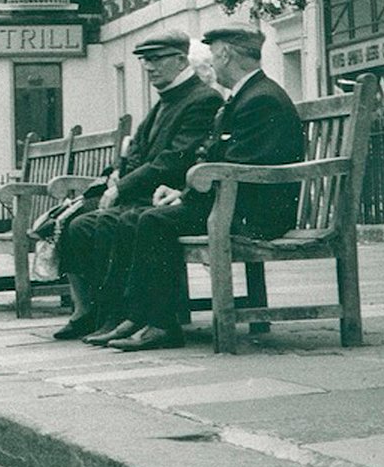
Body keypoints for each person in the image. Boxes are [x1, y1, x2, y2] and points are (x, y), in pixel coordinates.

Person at [90, 24, 305, 352]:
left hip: (254, 216)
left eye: (212, 56)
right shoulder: (248, 96)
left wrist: (188, 196)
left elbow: (238, 166)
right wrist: (182, 195)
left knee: (152, 220)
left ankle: (160, 324)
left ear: (225, 54)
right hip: (236, 203)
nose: (208, 64)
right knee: (146, 217)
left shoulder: (261, 100)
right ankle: (140, 316)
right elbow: (227, 164)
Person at [52, 30, 223, 339]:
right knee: (80, 224)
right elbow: (138, 150)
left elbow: (173, 159)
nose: (149, 68)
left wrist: (123, 187)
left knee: (110, 221)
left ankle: (127, 315)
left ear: (181, 60)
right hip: (147, 194)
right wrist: (119, 173)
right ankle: (99, 313)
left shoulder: (202, 98)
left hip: (165, 196)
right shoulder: (166, 99)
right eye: (146, 62)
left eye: (157, 60)